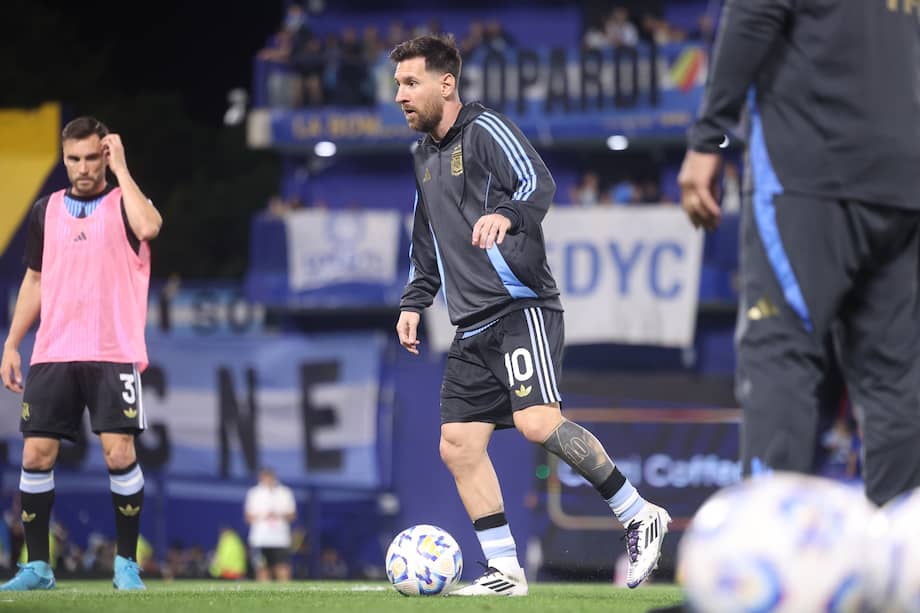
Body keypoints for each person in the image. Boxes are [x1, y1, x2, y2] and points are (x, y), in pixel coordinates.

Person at [391, 34, 670, 596]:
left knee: (536, 422)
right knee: (457, 445)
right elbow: (428, 242)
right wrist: (414, 303)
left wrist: (507, 217)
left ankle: (639, 513)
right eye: (397, 83)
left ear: (446, 84)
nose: (400, 94)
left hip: (521, 308)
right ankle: (505, 570)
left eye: (410, 82)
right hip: (468, 327)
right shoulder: (422, 155)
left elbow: (538, 182)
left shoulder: (487, 129)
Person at [678, 0, 920, 506]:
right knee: (896, 380)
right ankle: (903, 571)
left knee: (780, 352)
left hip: (808, 171)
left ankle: (766, 564)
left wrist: (708, 137)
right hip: (904, 180)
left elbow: (754, 13)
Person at [0, 116, 162, 590]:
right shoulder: (44, 211)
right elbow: (35, 280)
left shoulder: (125, 204)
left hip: (113, 350)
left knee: (118, 453)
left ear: (106, 156)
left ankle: (126, 564)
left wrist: (124, 169)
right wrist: (11, 343)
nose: (83, 167)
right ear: (64, 157)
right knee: (35, 454)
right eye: (74, 158)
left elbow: (150, 226)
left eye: (93, 157)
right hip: (53, 350)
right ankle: (37, 567)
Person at [244, 467, 296, 582]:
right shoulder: (254, 493)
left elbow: (292, 515)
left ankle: (286, 597)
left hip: (280, 539)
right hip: (260, 539)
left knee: (282, 568)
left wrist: (279, 515)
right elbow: (248, 517)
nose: (267, 480)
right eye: (264, 477)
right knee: (261, 568)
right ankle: (264, 598)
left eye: (270, 477)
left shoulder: (285, 492)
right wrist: (263, 515)